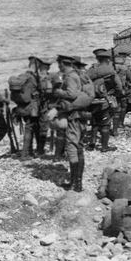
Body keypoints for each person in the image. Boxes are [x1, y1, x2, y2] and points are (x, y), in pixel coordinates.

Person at [50, 55, 84, 192]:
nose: (59, 67)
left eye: (59, 65)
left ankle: (75, 184)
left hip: (73, 117)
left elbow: (72, 94)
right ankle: (77, 183)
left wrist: (58, 91)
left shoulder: (70, 77)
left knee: (72, 148)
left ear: (64, 64)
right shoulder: (77, 75)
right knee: (79, 148)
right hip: (79, 116)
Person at [85, 48, 121, 152]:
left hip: (91, 100)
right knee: (105, 123)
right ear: (108, 59)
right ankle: (104, 147)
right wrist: (114, 94)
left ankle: (92, 143)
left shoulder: (91, 70)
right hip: (104, 101)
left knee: (94, 122)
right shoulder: (109, 71)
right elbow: (119, 86)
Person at [112, 50, 130, 133]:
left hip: (113, 89)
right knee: (123, 106)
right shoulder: (123, 67)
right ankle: (120, 124)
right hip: (121, 89)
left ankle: (117, 124)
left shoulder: (113, 66)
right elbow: (123, 80)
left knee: (117, 107)